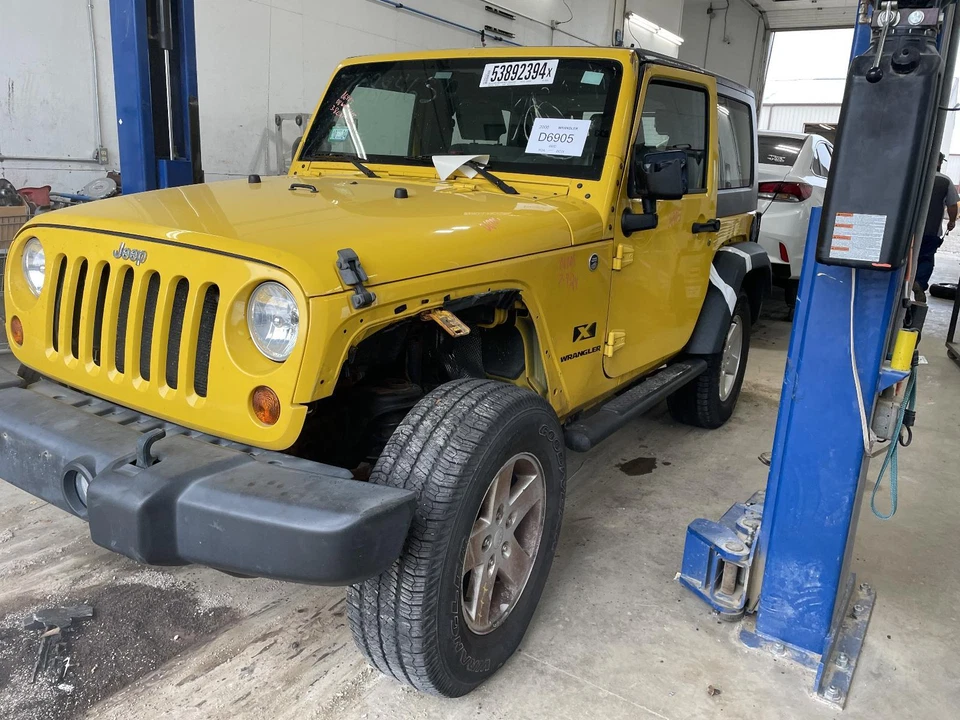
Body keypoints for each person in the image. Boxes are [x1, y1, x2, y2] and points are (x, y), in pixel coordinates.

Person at [917, 154, 959, 299]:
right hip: (931, 230)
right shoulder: (944, 181)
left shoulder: (914, 177)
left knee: (905, 256)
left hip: (906, 231)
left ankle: (902, 283)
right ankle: (919, 283)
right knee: (926, 258)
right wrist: (952, 221)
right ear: (939, 163)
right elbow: (952, 205)